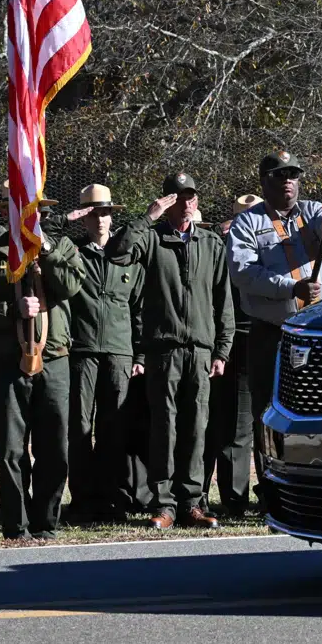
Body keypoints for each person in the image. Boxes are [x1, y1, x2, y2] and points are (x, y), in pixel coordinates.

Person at [113, 173, 233, 530]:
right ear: (166, 202)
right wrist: (147, 217)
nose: (186, 204)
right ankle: (164, 504)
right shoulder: (151, 239)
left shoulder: (211, 243)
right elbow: (117, 253)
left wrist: (222, 350)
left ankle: (192, 502)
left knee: (197, 427)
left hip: (200, 351)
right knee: (164, 427)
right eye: (178, 198)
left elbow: (223, 300)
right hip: (163, 351)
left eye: (191, 197)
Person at [0, 182, 84, 541]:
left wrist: (45, 250)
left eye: (30, 209)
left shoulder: (61, 246)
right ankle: (15, 525)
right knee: (11, 448)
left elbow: (71, 286)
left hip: (53, 358)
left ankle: (45, 522)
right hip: (8, 359)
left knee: (54, 446)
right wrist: (12, 310)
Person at [227, 152, 322, 490]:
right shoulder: (247, 223)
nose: (288, 180)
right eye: (279, 174)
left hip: (318, 333)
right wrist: (291, 287)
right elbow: (243, 273)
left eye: (293, 174)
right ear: (264, 181)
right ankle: (271, 487)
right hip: (272, 334)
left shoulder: (314, 211)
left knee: (320, 407)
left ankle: (316, 485)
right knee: (269, 412)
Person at [64, 184, 140, 523]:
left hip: (119, 351)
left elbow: (139, 307)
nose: (100, 219)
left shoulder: (129, 255)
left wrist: (139, 355)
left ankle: (112, 497)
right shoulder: (72, 252)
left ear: (113, 217)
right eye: (93, 213)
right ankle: (82, 499)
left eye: (105, 213)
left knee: (114, 427)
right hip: (81, 350)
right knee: (79, 427)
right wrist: (67, 219)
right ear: (83, 218)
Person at [204, 194, 262, 517]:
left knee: (265, 424)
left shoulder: (273, 246)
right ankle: (235, 499)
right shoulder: (224, 248)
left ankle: (268, 495)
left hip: (270, 336)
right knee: (236, 424)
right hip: (237, 338)